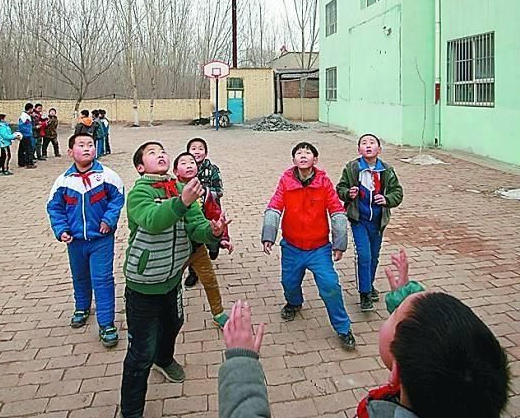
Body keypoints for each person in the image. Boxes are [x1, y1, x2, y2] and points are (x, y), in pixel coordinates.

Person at [217, 250, 511, 418]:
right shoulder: (460, 396)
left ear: (395, 374)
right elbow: (431, 338)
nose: (391, 309)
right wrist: (404, 297)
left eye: (393, 314)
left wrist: (241, 363)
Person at [120, 141, 229, 418]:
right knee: (140, 353)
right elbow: (153, 220)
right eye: (152, 152)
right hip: (143, 286)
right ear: (140, 166)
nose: (161, 154)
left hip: (172, 281)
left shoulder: (182, 189)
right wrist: (182, 203)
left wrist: (213, 232)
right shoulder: (139, 193)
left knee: (174, 323)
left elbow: (196, 228)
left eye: (162, 151)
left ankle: (165, 359)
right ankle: (131, 411)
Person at [261, 141, 355, 350]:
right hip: (292, 247)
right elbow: (274, 206)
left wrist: (339, 243)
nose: (303, 155)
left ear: (315, 159)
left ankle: (343, 328)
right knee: (289, 282)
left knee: (330, 286)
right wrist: (268, 235)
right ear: (293, 160)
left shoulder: (324, 183)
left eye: (308, 152)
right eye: (299, 153)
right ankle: (294, 303)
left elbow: (337, 211)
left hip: (319, 249)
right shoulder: (286, 181)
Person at [46, 132, 125, 348]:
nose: (87, 148)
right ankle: (81, 307)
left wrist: (109, 220)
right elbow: (54, 207)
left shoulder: (108, 176)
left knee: (102, 279)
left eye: (91, 144)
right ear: (71, 152)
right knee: (80, 277)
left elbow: (117, 199)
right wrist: (61, 229)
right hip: (75, 242)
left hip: (101, 240)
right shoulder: (64, 181)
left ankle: (106, 323)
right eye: (81, 145)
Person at [337, 133, 404, 311]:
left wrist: (387, 199)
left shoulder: (387, 171)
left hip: (378, 222)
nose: (368, 145)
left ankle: (370, 283)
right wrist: (348, 193)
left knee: (374, 256)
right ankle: (364, 293)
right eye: (364, 143)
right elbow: (340, 188)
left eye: (372, 143)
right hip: (359, 219)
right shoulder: (352, 168)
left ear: (379, 149)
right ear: (359, 149)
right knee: (364, 255)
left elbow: (398, 192)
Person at [174, 151, 232, 328]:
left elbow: (216, 215)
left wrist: (222, 237)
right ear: (175, 171)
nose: (189, 164)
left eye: (191, 162)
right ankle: (171, 314)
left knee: (210, 280)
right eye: (183, 163)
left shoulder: (205, 193)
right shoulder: (170, 190)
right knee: (172, 284)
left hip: (198, 247)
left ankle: (218, 313)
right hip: (176, 249)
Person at [185, 136, 224, 286]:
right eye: (193, 149)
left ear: (206, 153)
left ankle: (215, 246)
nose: (197, 152)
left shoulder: (213, 170)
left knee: (212, 241)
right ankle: (193, 273)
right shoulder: (185, 170)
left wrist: (203, 192)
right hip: (192, 213)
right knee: (193, 243)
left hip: (210, 211)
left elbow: (219, 191)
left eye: (200, 149)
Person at [18, 102, 35, 169]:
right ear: (30, 109)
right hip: (26, 135)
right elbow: (21, 126)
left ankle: (22, 162)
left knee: (22, 149)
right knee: (28, 149)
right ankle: (29, 163)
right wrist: (27, 132)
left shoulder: (27, 115)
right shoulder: (24, 116)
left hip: (25, 135)